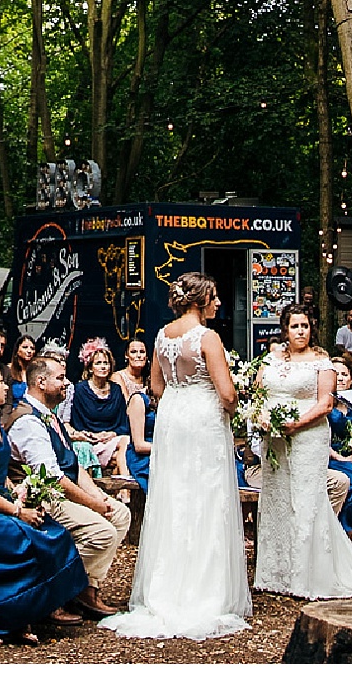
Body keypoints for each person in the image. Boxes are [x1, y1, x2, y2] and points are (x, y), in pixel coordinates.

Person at [101, 272, 250, 640]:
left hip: (173, 418)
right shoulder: (207, 338)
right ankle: (206, 591)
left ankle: (166, 587)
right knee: (207, 497)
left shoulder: (162, 335)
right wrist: (234, 405)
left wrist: (179, 399)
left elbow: (155, 386)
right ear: (199, 301)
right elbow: (227, 394)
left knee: (174, 498)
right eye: (214, 298)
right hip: (203, 419)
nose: (218, 304)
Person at [0, 358, 88, 647]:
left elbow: (0, 474)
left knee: (53, 533)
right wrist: (17, 511)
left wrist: (20, 493)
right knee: (21, 538)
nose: (6, 387)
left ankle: (17, 616)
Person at [254, 304, 352, 599]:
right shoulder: (271, 360)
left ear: (311, 328)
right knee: (277, 498)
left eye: (304, 326)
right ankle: (274, 573)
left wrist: (296, 424)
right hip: (274, 439)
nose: (300, 331)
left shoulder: (322, 361)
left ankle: (305, 574)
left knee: (305, 498)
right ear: (285, 330)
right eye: (294, 326)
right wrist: (263, 418)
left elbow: (326, 403)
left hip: (307, 435)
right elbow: (258, 391)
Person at [8, 353, 130, 616]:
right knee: (103, 533)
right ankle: (54, 591)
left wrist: (100, 498)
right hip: (40, 497)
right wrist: (92, 505)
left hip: (60, 489)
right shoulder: (28, 421)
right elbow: (52, 478)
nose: (66, 384)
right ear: (41, 382)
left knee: (120, 514)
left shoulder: (49, 415)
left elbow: (73, 465)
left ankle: (86, 589)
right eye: (60, 378)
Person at [67, 341, 130, 472]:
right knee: (120, 458)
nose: (103, 367)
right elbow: (77, 422)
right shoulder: (79, 390)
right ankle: (122, 490)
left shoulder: (116, 390)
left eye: (105, 363)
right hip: (89, 441)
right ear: (90, 368)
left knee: (126, 442)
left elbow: (124, 422)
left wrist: (112, 433)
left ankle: (124, 488)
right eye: (98, 363)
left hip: (111, 440)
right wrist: (94, 436)